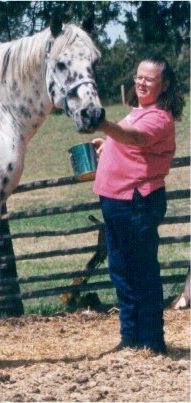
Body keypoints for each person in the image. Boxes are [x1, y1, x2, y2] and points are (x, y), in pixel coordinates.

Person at [92, 55, 185, 354]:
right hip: (116, 199)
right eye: (138, 77)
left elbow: (134, 138)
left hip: (136, 200)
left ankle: (152, 342)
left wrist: (103, 124)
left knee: (142, 272)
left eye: (149, 79)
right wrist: (108, 147)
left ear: (165, 85)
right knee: (121, 270)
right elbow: (129, 142)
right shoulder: (138, 111)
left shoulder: (159, 116)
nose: (141, 82)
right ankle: (131, 339)